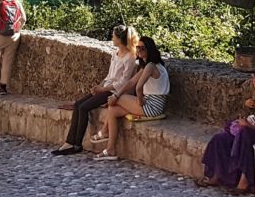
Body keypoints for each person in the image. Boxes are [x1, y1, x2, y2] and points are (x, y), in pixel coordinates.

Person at [52, 24, 138, 156]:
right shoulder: (115, 53)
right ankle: (70, 142)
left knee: (84, 108)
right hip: (106, 87)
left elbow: (123, 82)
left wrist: (103, 89)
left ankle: (76, 144)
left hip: (115, 91)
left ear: (120, 39)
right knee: (78, 104)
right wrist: (98, 87)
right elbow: (110, 76)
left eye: (113, 36)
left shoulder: (130, 58)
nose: (112, 38)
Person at [197, 68, 255, 193]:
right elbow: (254, 108)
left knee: (245, 134)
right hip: (252, 128)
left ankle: (243, 182)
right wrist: (247, 103)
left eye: (254, 78)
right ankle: (215, 175)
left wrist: (248, 126)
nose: (252, 81)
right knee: (220, 138)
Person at [92, 36, 169, 161]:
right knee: (113, 110)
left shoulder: (151, 66)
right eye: (137, 48)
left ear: (149, 50)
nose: (139, 50)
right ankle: (110, 148)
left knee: (117, 99)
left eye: (142, 48)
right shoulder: (146, 66)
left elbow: (138, 87)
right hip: (151, 104)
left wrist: (137, 99)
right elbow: (131, 82)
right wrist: (115, 96)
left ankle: (104, 131)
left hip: (152, 106)